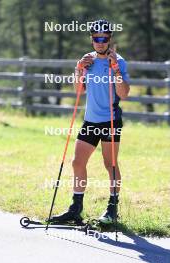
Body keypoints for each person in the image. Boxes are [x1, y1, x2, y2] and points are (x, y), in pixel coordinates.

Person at [49, 19, 130, 224]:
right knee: (77, 162)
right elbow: (79, 90)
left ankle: (112, 209)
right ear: (92, 39)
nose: (100, 42)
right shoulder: (87, 61)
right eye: (96, 38)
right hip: (90, 121)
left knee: (110, 163)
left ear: (110, 38)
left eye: (104, 38)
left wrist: (116, 70)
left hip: (111, 120)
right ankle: (76, 208)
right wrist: (78, 69)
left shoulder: (118, 61)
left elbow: (125, 93)